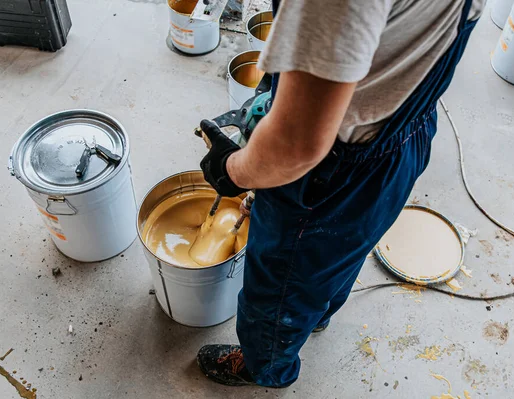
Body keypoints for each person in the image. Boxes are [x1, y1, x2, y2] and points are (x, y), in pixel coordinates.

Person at [197, 0, 484, 388]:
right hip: (403, 136)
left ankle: (265, 367)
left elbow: (296, 145)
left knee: (278, 289)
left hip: (332, 172)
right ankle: (316, 315)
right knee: (341, 253)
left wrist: (232, 171)